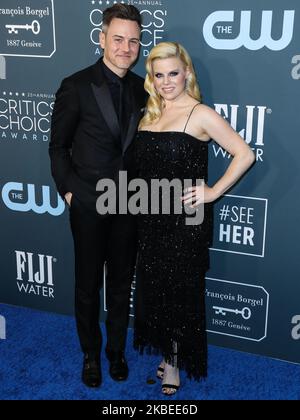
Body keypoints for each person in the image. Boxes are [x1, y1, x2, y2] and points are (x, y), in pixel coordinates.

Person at [133, 42, 255, 395]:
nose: (167, 81)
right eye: (159, 75)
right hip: (151, 215)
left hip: (185, 221)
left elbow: (244, 154)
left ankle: (173, 364)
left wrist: (214, 192)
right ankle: (167, 350)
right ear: (152, 80)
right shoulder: (150, 113)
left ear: (187, 73)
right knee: (156, 288)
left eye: (173, 73)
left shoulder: (200, 113)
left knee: (180, 291)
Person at [49, 4, 147, 388]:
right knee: (87, 284)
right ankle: (90, 353)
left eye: (133, 41)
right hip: (88, 202)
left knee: (122, 284)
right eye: (118, 38)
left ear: (140, 44)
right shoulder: (76, 85)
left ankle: (116, 351)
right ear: (102, 37)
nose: (125, 47)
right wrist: (70, 192)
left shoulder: (145, 89)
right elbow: (58, 147)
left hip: (131, 203)